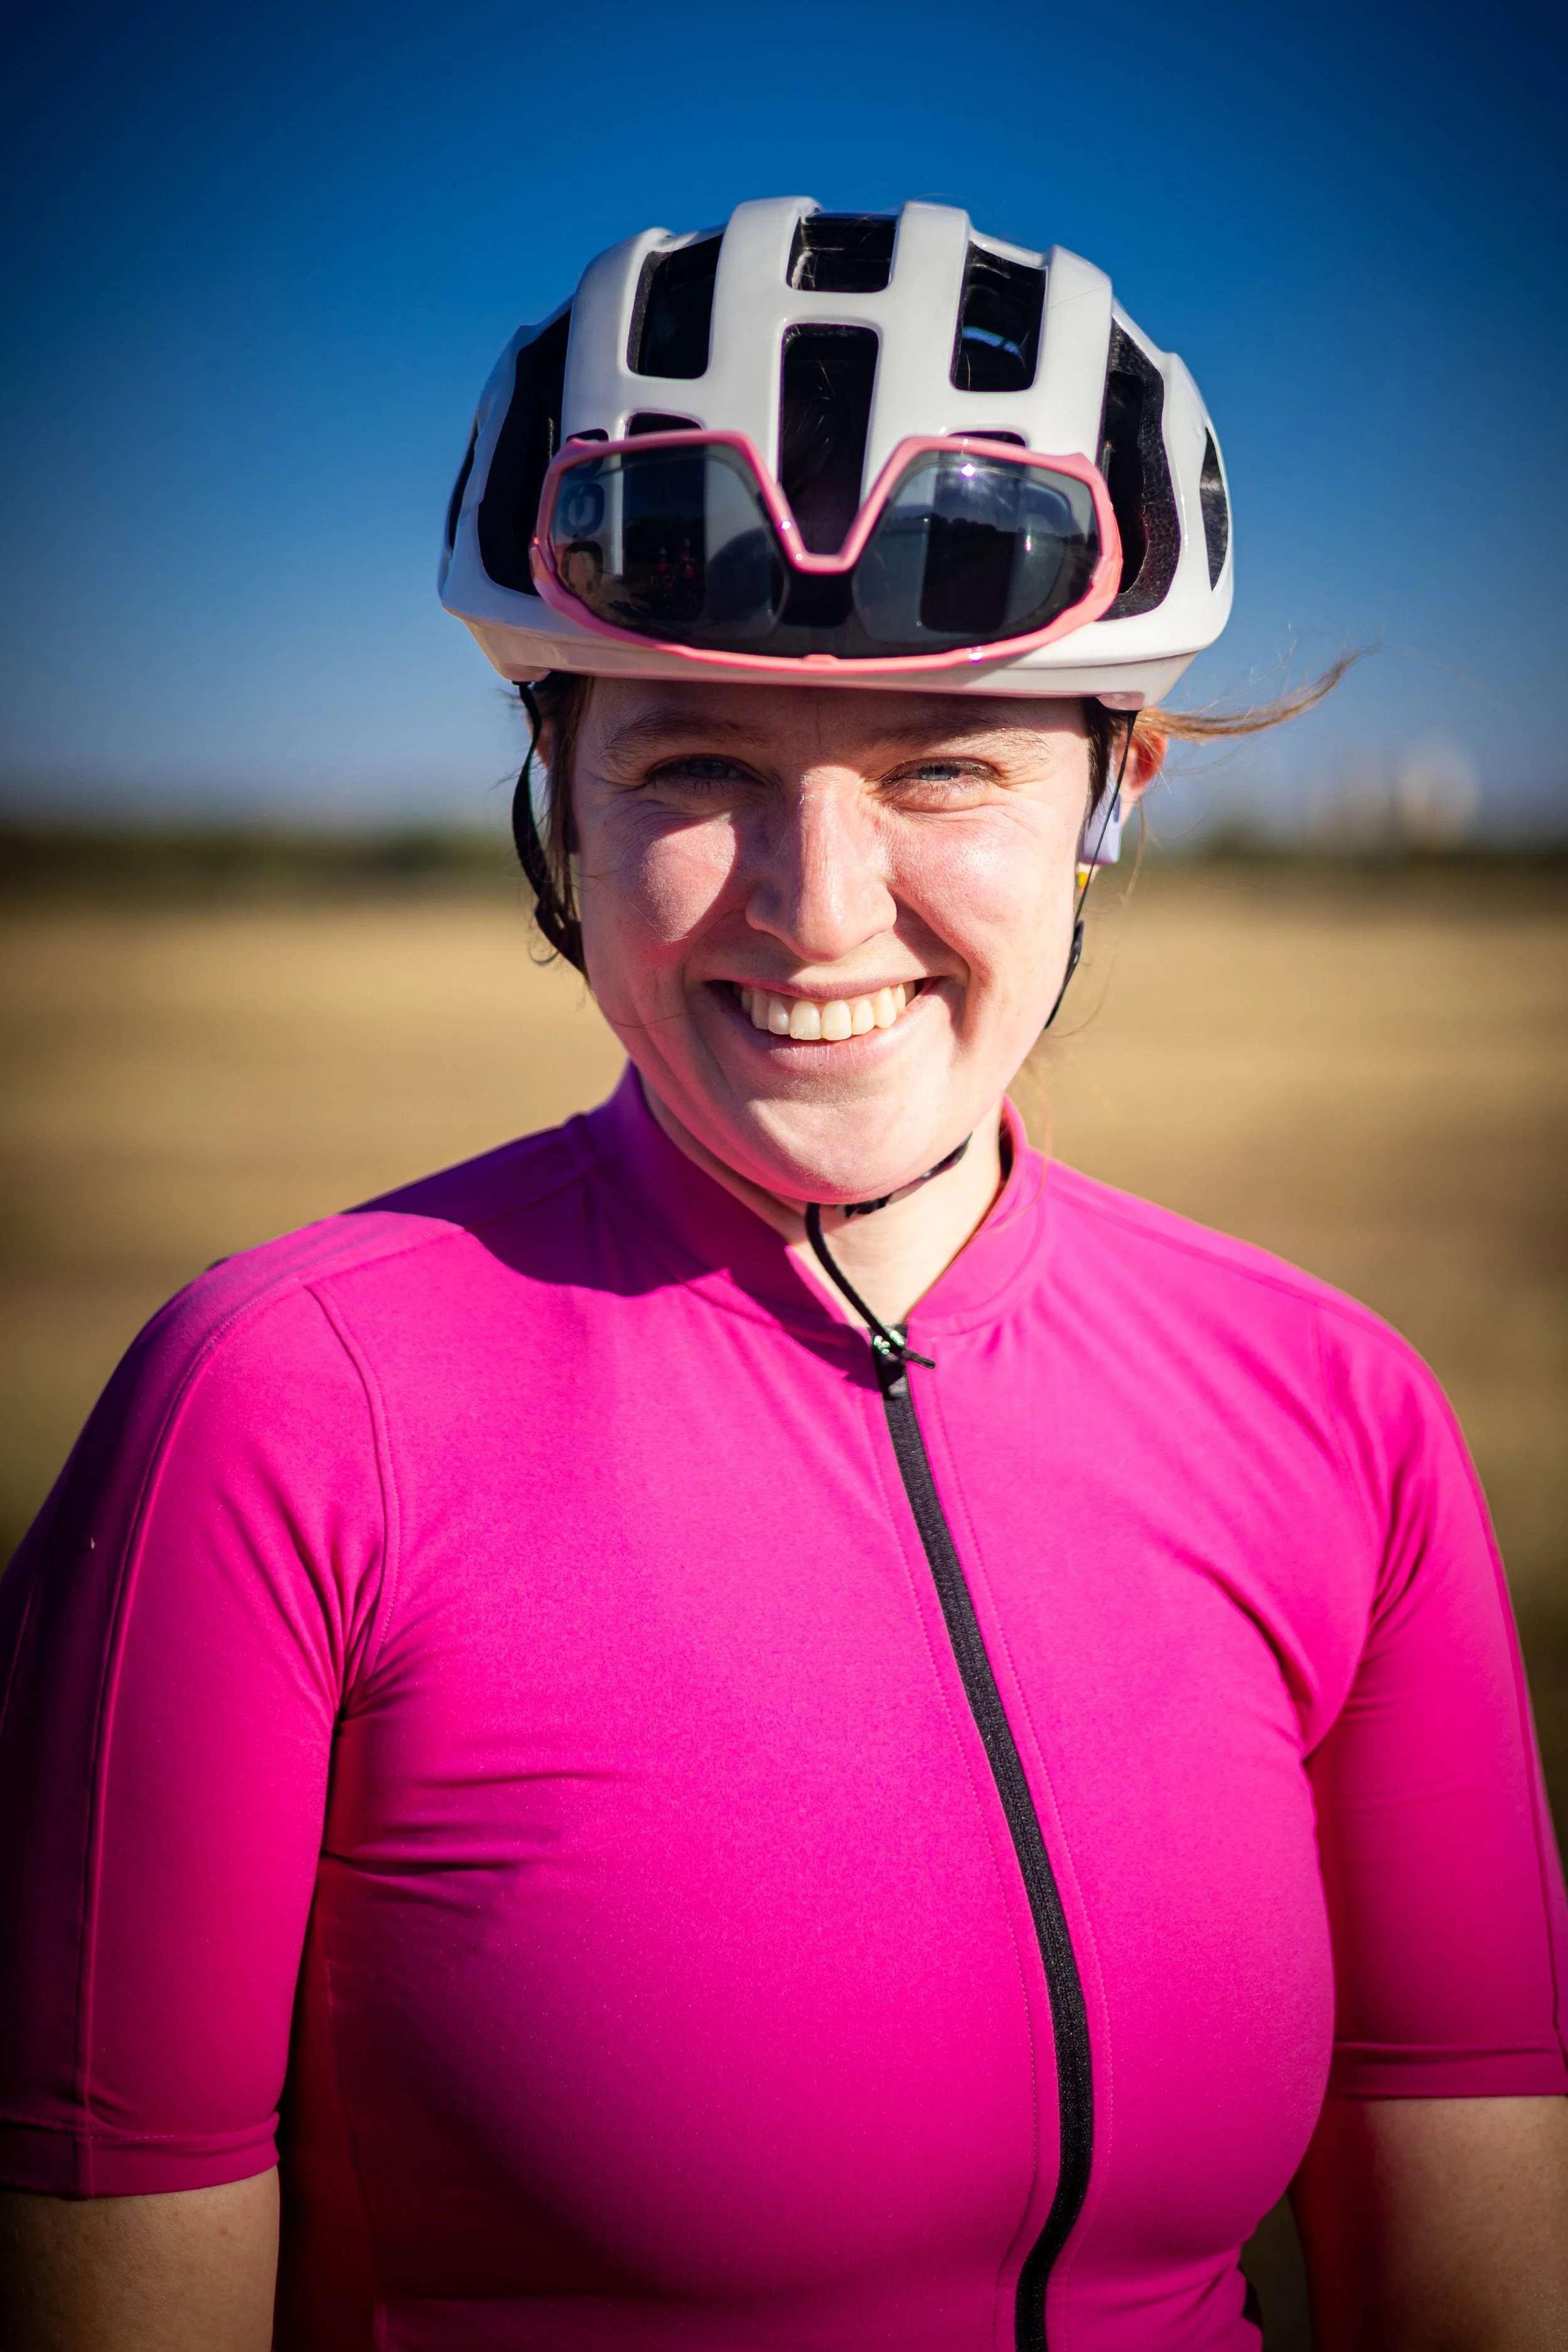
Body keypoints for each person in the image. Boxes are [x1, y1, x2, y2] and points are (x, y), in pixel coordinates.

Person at [0, 198, 1564, 2352]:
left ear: (1113, 785)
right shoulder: (273, 1412)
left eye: (943, 767)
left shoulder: (1343, 1417)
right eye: (697, 764)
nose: (819, 912)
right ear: (552, 781)